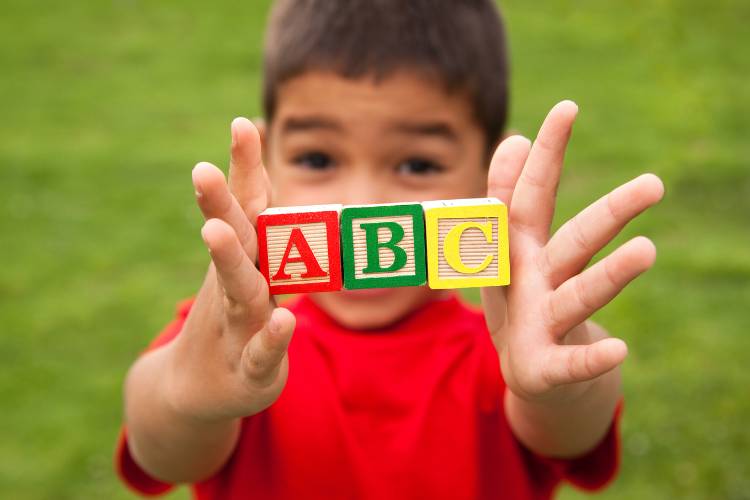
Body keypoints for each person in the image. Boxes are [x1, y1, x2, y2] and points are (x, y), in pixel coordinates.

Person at [116, 0, 665, 498]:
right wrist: (189, 394)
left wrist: (561, 374)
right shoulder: (236, 337)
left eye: (417, 165)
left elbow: (571, 430)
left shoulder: (499, 352)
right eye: (317, 159)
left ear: (488, 171)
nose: (364, 203)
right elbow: (159, 446)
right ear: (267, 156)